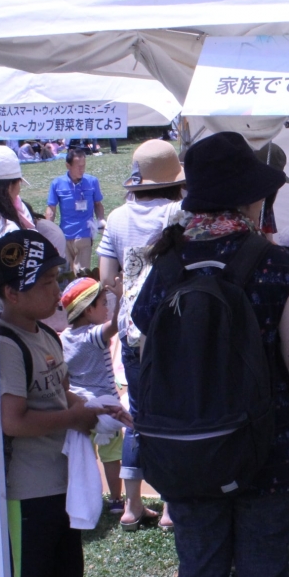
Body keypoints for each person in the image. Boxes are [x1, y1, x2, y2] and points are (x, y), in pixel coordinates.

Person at [131, 131, 289, 577]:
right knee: (264, 575)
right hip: (268, 443)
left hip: (187, 446)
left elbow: (143, 346)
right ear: (247, 199)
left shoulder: (166, 263)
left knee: (199, 574)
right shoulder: (276, 264)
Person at [0, 230, 124, 577]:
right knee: (33, 575)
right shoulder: (6, 344)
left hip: (62, 476)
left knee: (66, 567)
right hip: (27, 487)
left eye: (55, 279)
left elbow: (61, 392)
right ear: (11, 293)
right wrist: (74, 417)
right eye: (45, 283)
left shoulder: (46, 333)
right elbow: (13, 420)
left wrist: (96, 408)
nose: (56, 291)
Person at [99, 139, 185, 532]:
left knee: (137, 414)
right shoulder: (177, 212)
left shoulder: (117, 217)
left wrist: (129, 288)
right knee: (173, 413)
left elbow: (106, 278)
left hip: (130, 329)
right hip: (172, 330)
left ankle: (132, 506)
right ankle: (169, 506)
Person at [58, 276, 130, 523]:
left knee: (80, 455)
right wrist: (121, 297)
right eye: (103, 303)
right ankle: (116, 500)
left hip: (79, 406)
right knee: (111, 454)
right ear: (88, 310)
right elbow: (116, 325)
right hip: (105, 407)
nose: (107, 308)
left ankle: (79, 497)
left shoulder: (64, 338)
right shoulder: (92, 335)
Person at [47, 148, 105, 275]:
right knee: (65, 275)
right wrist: (48, 231)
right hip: (64, 236)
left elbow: (98, 204)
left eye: (83, 165)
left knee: (81, 275)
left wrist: (100, 221)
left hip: (84, 235)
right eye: (78, 166)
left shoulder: (92, 181)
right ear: (68, 166)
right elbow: (51, 209)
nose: (81, 169)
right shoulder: (57, 184)